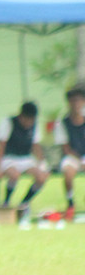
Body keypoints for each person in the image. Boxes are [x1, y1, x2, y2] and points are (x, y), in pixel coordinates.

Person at [0, 101, 49, 228]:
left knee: (41, 177)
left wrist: (43, 166)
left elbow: (36, 146)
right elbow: (1, 145)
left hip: (26, 159)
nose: (29, 123)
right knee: (14, 175)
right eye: (27, 119)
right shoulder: (8, 122)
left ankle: (23, 204)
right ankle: (6, 202)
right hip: (9, 158)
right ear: (21, 116)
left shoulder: (35, 125)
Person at [54, 85, 85, 222]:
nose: (76, 104)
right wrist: (79, 161)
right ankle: (70, 202)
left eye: (78, 101)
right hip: (72, 157)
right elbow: (65, 148)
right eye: (73, 101)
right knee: (68, 171)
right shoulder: (62, 123)